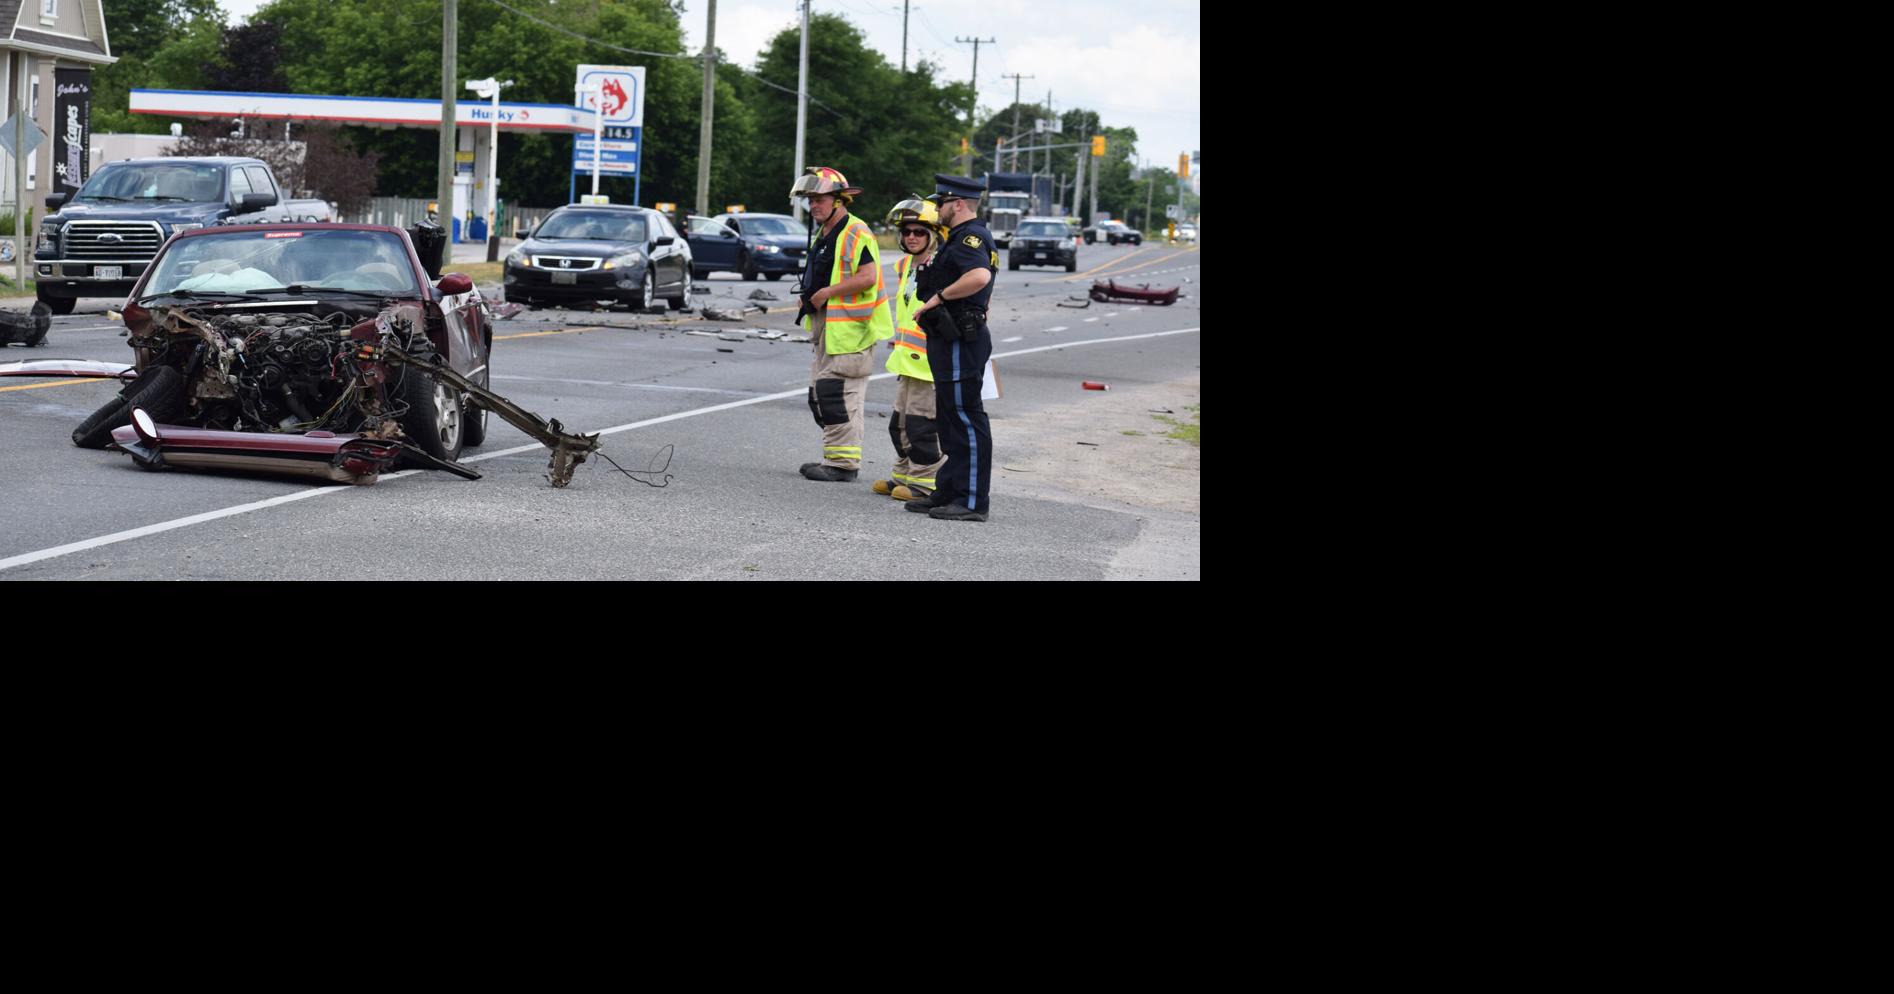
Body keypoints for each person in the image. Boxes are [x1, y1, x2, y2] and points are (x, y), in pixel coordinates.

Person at [789, 166, 892, 482]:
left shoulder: (856, 231)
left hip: (852, 330)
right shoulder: (825, 232)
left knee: (839, 394)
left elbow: (868, 277)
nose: (814, 206)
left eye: (819, 199)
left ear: (839, 199)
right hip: (828, 328)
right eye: (810, 199)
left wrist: (825, 294)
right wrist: (809, 299)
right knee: (821, 396)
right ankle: (834, 458)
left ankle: (843, 465)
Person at [907, 174, 997, 522]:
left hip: (961, 338)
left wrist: (937, 299)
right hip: (952, 336)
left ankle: (972, 500)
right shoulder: (957, 237)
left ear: (958, 204)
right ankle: (949, 489)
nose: (937, 209)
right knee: (949, 418)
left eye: (941, 203)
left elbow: (979, 277)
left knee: (964, 417)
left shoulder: (970, 238)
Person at [872, 197, 950, 502]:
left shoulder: (940, 267)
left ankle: (925, 482)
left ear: (934, 235)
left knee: (922, 425)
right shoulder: (905, 265)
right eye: (906, 232)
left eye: (919, 231)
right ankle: (902, 475)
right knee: (899, 425)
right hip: (907, 359)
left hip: (930, 363)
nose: (911, 237)